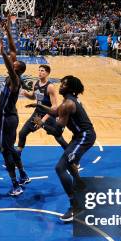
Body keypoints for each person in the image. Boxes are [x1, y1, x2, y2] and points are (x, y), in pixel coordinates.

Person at [29, 75, 96, 222]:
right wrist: (38, 105)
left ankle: (75, 206)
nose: (60, 86)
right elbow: (55, 112)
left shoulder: (68, 104)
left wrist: (42, 124)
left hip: (85, 137)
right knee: (69, 159)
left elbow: (58, 132)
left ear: (71, 88)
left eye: (64, 84)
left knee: (60, 167)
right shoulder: (68, 101)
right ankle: (79, 183)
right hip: (80, 135)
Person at [0, 19, 30, 196]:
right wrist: (8, 30)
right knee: (10, 148)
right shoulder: (15, 76)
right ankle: (23, 175)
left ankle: (15, 185)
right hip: (11, 117)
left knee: (5, 151)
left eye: (14, 63)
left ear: (17, 70)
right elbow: (13, 50)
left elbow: (9, 62)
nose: (12, 60)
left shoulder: (16, 80)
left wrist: (2, 54)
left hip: (6, 118)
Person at [18, 64, 67, 152]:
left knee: (59, 138)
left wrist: (43, 120)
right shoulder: (36, 83)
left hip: (49, 115)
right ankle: (17, 157)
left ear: (47, 73)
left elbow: (54, 106)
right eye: (39, 70)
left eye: (42, 71)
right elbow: (33, 97)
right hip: (37, 113)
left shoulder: (50, 87)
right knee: (22, 133)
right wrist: (25, 93)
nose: (40, 72)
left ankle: (72, 156)